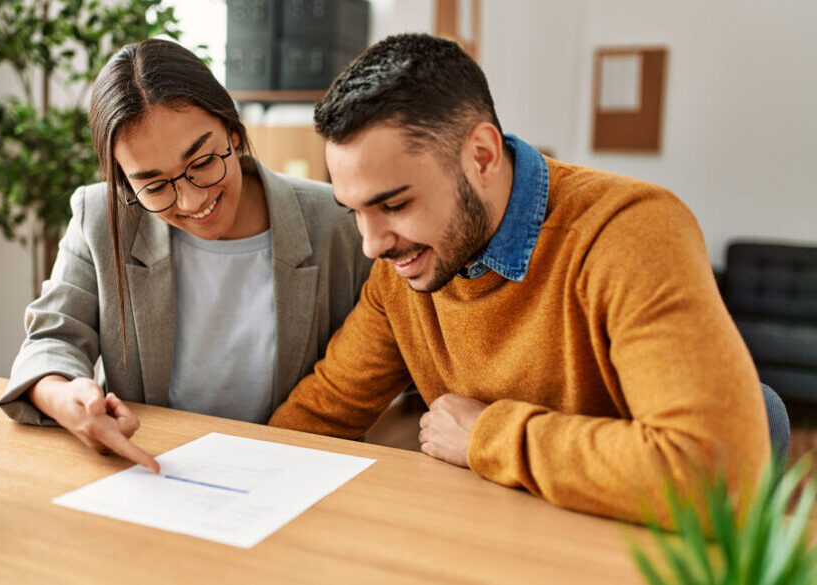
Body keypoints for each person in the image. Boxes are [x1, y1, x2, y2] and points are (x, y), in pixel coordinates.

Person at [269, 33, 769, 523]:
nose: (372, 244)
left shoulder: (629, 231)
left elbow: (716, 473)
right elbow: (322, 413)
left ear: (481, 156)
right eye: (355, 211)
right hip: (497, 541)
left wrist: (487, 435)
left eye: (395, 204)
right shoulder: (401, 271)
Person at [0, 39, 372, 472]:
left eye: (202, 160)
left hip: (295, 473)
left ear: (232, 128)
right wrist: (63, 397)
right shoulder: (102, 216)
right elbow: (52, 339)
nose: (193, 200)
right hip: (155, 468)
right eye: (154, 186)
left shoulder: (336, 221)